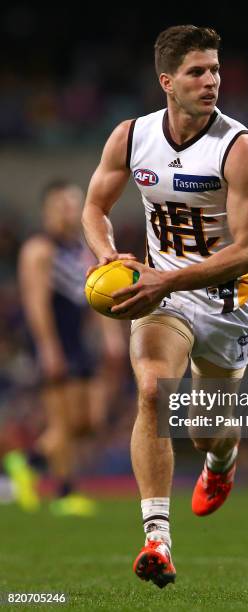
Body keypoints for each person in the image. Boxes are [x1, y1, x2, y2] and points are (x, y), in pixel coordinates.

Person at [81, 25, 248, 587]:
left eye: (214, 69)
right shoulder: (132, 137)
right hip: (162, 296)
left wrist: (168, 278)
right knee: (151, 389)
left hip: (227, 300)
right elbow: (94, 206)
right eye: (196, 71)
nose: (211, 80)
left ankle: (221, 459)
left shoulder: (238, 147)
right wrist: (106, 251)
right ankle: (157, 540)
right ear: (167, 81)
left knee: (206, 431)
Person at [14, 180, 126, 516]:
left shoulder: (80, 249)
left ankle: (25, 463)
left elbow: (96, 294)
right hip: (55, 341)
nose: (69, 211)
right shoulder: (39, 249)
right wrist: (48, 349)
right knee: (62, 422)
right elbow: (36, 304)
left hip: (79, 342)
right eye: (62, 204)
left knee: (88, 420)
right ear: (47, 208)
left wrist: (111, 336)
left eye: (73, 204)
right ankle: (64, 492)